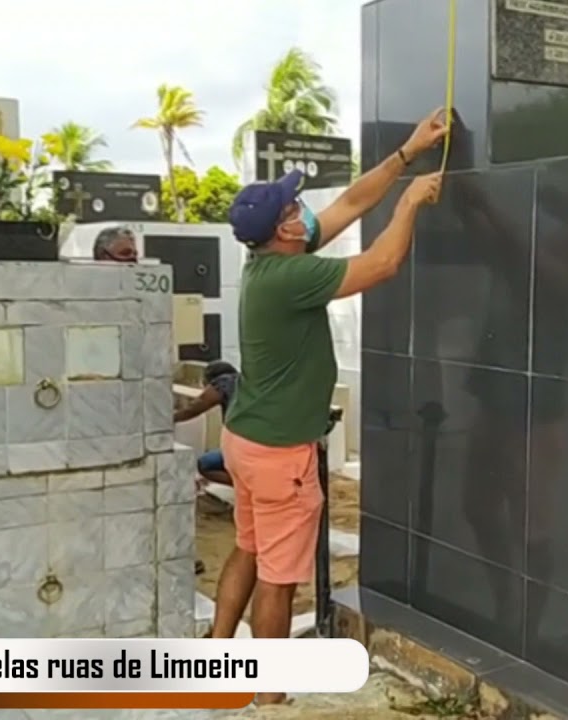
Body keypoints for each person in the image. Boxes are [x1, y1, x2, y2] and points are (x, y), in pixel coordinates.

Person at [209, 107, 448, 705]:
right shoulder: (293, 277)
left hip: (244, 440)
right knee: (279, 579)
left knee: (249, 546)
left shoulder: (270, 258)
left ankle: (215, 651)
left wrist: (406, 152)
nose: (304, 211)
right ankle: (267, 696)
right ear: (284, 230)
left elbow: (346, 206)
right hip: (278, 455)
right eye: (294, 208)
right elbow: (383, 263)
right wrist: (411, 204)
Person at [173, 360, 239, 490]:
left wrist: (167, 420)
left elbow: (193, 409)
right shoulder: (247, 384)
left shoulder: (224, 383)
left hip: (244, 449)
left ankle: (243, 485)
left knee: (205, 464)